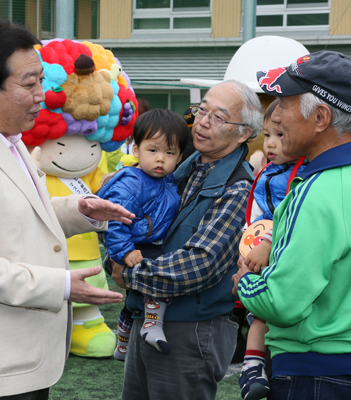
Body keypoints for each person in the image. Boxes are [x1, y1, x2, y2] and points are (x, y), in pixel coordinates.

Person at [0, 19, 131, 400]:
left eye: (41, 80)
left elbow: (20, 211)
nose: (42, 94)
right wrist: (62, 285)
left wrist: (79, 210)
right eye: (29, 83)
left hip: (17, 360)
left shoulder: (7, 138)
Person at [235, 51, 351, 400]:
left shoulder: (317, 191)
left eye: (285, 102)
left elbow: (280, 303)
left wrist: (244, 281)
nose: (276, 113)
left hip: (316, 376)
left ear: (321, 117)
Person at [111, 79, 262, 400]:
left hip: (191, 329)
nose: (203, 122)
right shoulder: (178, 167)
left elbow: (200, 264)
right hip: (148, 315)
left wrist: (128, 272)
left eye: (218, 117)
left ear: (244, 133)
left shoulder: (239, 188)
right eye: (201, 110)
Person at [98, 109, 188, 360]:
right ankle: (152, 325)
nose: (161, 159)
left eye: (169, 153)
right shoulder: (132, 182)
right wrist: (124, 252)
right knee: (160, 275)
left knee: (132, 301)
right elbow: (115, 220)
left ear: (180, 156)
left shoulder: (166, 180)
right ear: (135, 150)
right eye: (153, 150)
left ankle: (123, 342)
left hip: (147, 242)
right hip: (135, 245)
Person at [238, 99, 306, 400]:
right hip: (256, 247)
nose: (271, 144)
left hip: (279, 251)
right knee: (257, 311)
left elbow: (293, 216)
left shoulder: (304, 173)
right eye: (267, 135)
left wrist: (267, 243)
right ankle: (253, 364)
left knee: (266, 312)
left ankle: (255, 363)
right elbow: (256, 214)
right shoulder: (268, 169)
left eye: (280, 135)